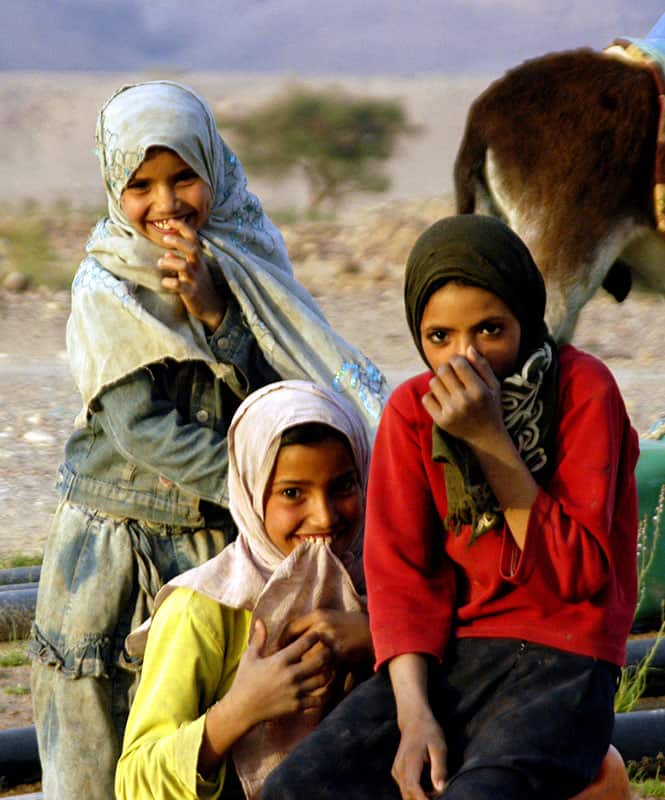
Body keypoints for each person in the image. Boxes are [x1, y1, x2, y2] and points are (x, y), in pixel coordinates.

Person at [28, 80, 387, 799]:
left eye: (183, 177)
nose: (165, 203)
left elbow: (277, 392)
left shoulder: (243, 251)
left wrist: (216, 311)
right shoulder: (105, 285)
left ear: (214, 169)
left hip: (229, 544)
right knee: (103, 733)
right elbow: (139, 428)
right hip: (117, 554)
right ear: (113, 188)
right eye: (141, 185)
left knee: (229, 720)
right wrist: (255, 488)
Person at [260, 214, 639, 800]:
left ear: (525, 316)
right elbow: (403, 585)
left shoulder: (582, 390)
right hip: (453, 661)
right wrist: (414, 717)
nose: (465, 358)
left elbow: (580, 575)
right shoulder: (412, 413)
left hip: (568, 661)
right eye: (440, 338)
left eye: (490, 330)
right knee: (295, 787)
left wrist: (490, 440)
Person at [115, 379, 373, 799]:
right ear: (251, 492)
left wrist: (380, 639)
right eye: (293, 493)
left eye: (343, 486)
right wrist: (240, 710)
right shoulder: (203, 609)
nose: (324, 516)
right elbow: (134, 783)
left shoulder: (382, 587)